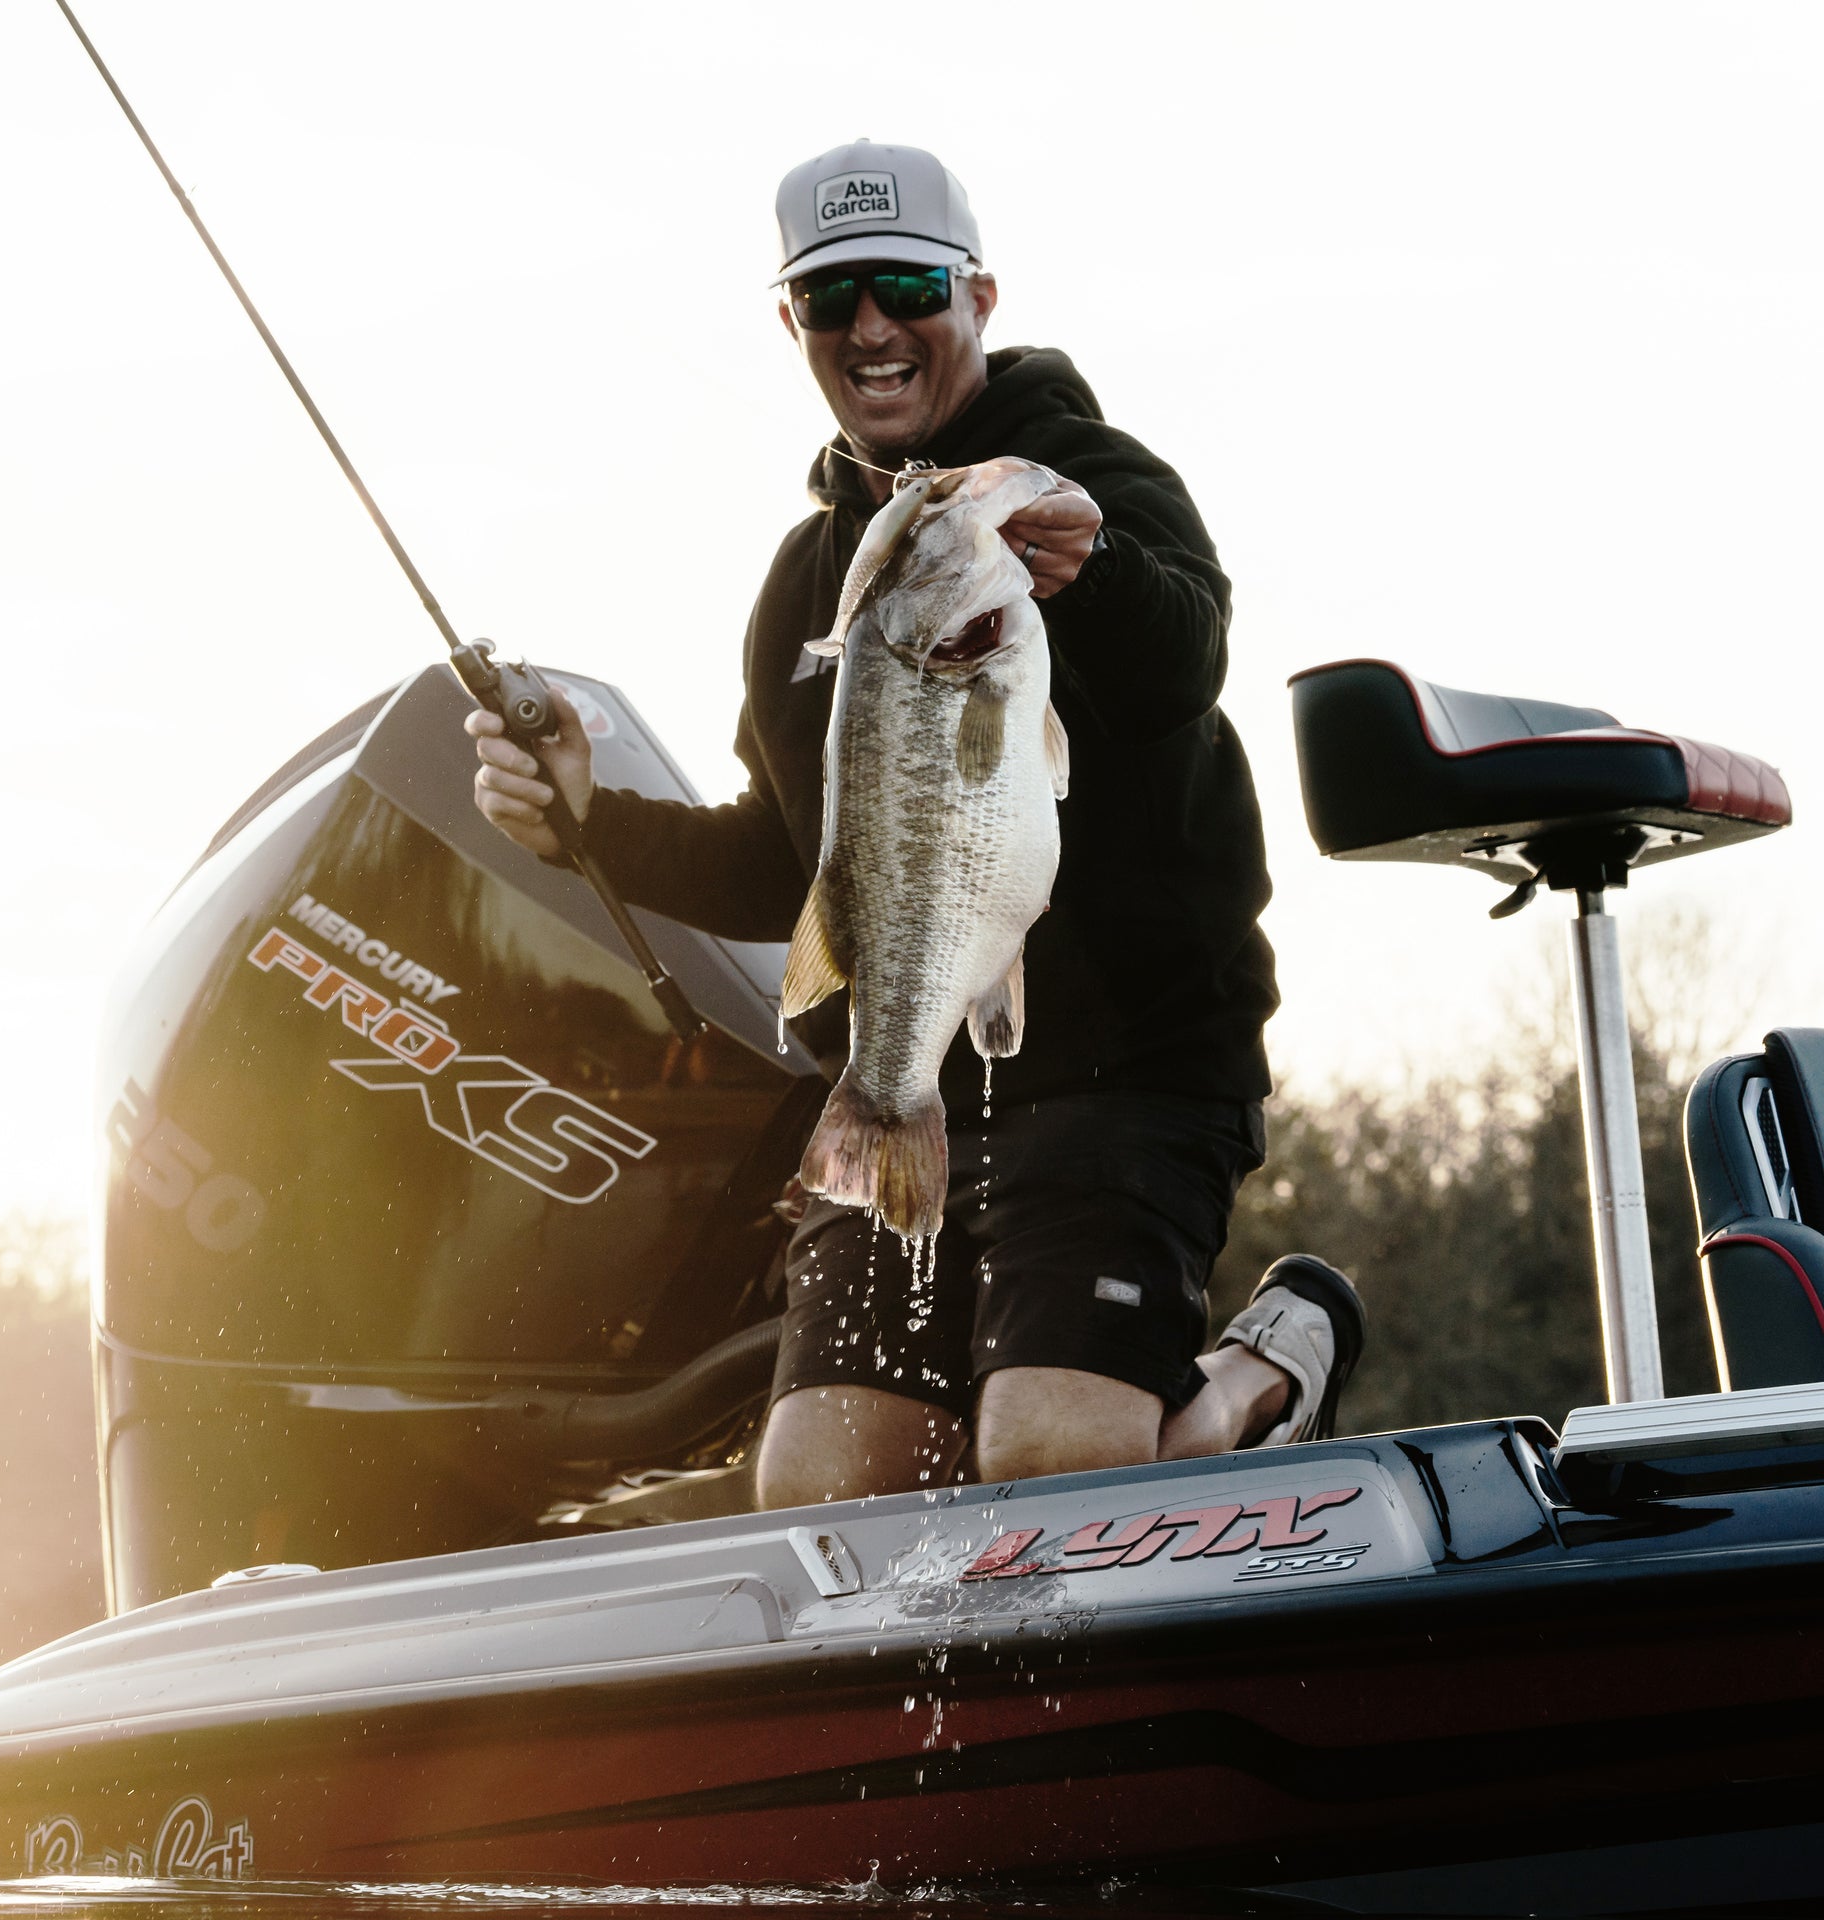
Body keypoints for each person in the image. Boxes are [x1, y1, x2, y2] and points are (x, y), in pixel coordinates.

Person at [469, 140, 1365, 1508]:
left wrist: (1093, 574)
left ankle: (1271, 1366)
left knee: (1051, 1470)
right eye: (833, 299)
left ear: (979, 297)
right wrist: (595, 826)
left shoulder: (1087, 485)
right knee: (826, 1496)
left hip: (1131, 1079)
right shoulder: (804, 584)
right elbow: (789, 860)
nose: (873, 327)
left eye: (906, 285)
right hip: (919, 1078)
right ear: (794, 326)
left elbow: (1185, 660)